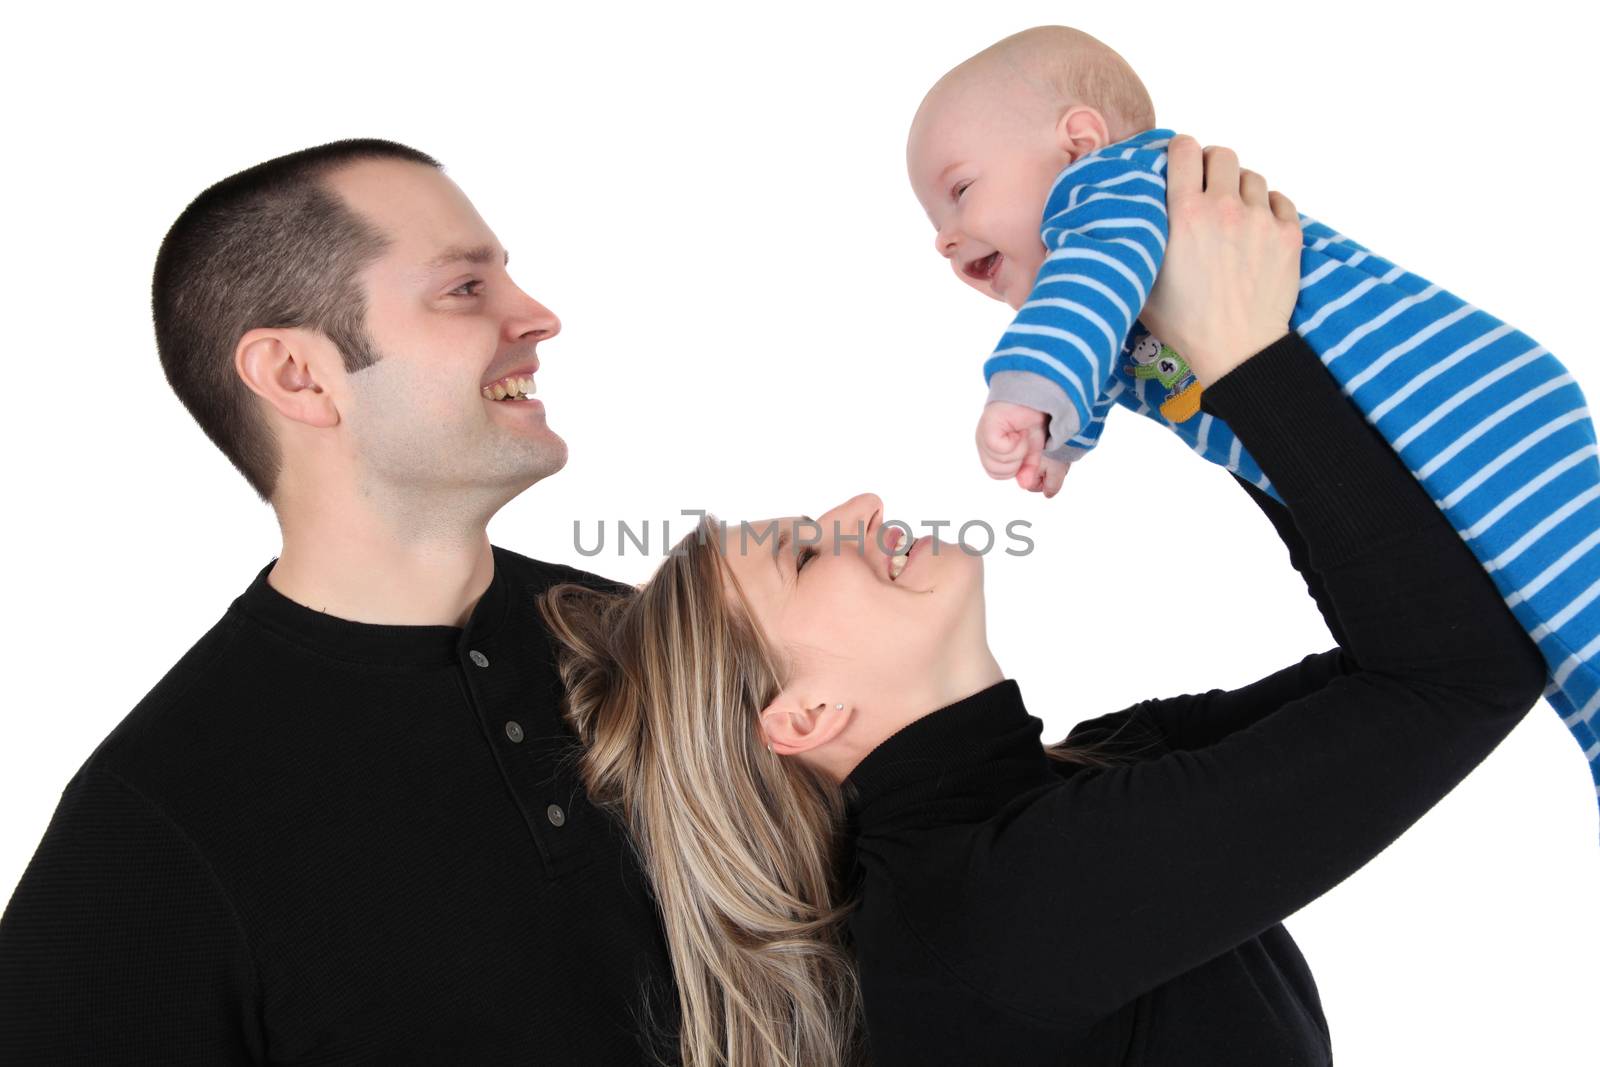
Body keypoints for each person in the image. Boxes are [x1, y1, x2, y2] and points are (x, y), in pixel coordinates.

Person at [535, 133, 1548, 1065]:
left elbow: (1424, 632)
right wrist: (1242, 359)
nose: (858, 504)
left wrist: (1186, 370)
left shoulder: (1087, 781)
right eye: (804, 555)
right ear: (804, 715)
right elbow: (1461, 671)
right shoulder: (999, 910)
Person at [0, 139, 684, 1063]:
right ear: (298, 375)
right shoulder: (146, 834)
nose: (539, 317)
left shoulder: (663, 650)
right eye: (464, 289)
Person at [904, 26, 1600, 809]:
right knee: (1567, 657)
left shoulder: (1111, 187)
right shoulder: (1121, 266)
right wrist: (1060, 431)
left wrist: (1024, 388)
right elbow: (1100, 338)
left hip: (1467, 408)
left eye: (960, 190)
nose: (944, 236)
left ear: (1076, 143)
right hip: (1448, 424)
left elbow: (1088, 290)